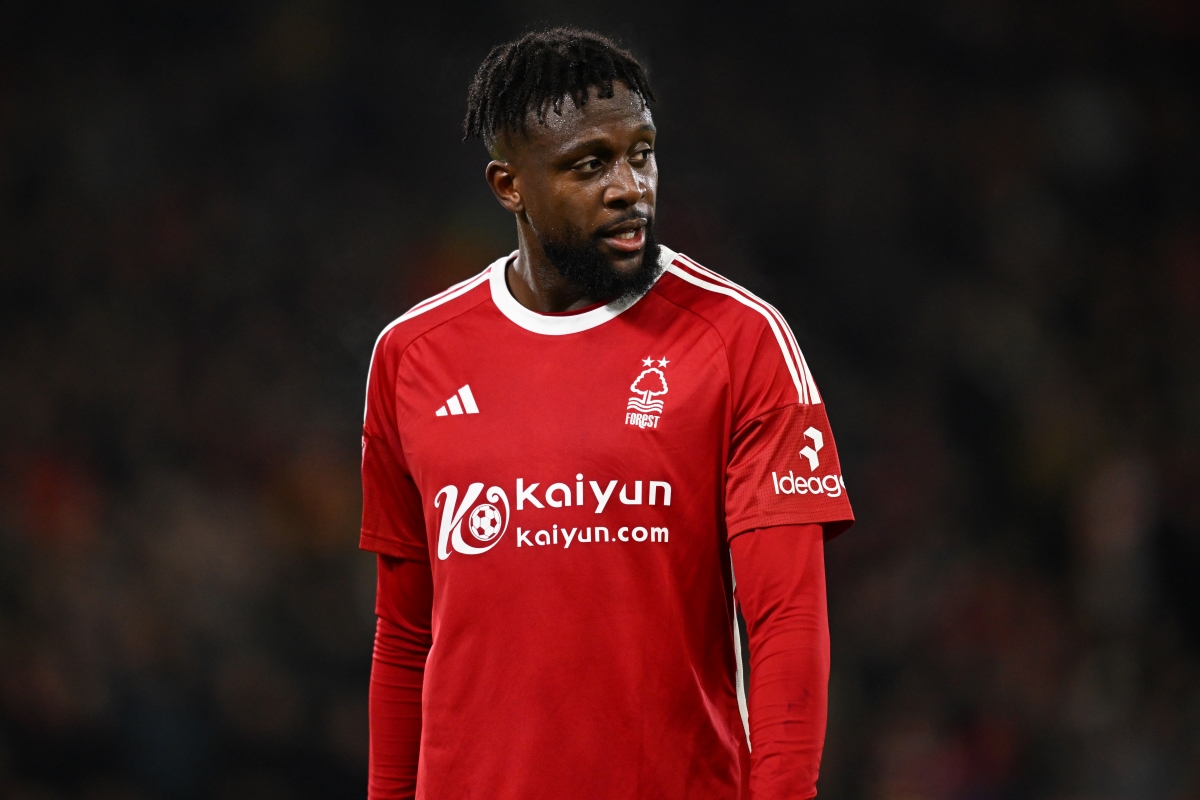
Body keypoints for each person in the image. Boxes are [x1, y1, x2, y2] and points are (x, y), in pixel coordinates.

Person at [361, 27, 854, 800]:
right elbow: (404, 636)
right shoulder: (411, 356)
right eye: (590, 164)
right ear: (508, 186)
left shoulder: (741, 340)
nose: (632, 187)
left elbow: (788, 622)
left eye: (643, 153)